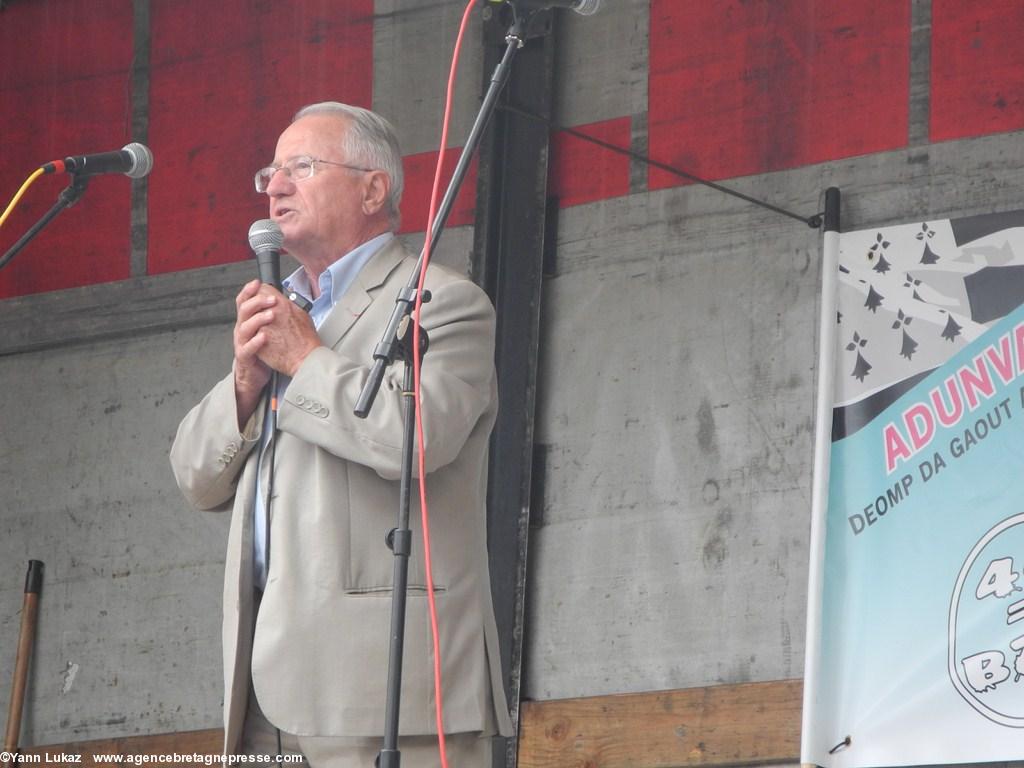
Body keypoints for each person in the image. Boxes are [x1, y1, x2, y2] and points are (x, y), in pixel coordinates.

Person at [169, 101, 512, 767]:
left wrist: (303, 361)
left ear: (373, 188)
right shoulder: (285, 315)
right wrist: (244, 383)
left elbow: (415, 440)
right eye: (269, 171)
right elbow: (194, 480)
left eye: (301, 166)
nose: (275, 186)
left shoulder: (440, 300)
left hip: (385, 697)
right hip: (263, 692)